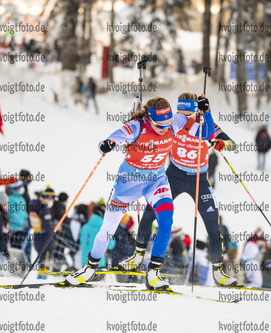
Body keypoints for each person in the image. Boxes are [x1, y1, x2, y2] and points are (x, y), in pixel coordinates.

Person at [66, 96, 207, 290]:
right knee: (107, 230)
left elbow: (204, 132)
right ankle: (89, 269)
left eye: (168, 124)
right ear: (149, 118)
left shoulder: (174, 121)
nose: (165, 128)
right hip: (128, 185)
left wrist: (204, 111)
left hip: (156, 182)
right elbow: (106, 142)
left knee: (166, 222)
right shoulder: (135, 127)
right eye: (159, 125)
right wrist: (107, 145)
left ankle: (153, 274)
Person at [116, 93, 238, 286]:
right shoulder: (171, 125)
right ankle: (138, 257)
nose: (182, 118)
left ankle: (218, 272)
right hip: (173, 175)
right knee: (149, 215)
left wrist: (220, 142)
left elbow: (230, 144)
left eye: (186, 114)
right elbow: (145, 130)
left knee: (213, 224)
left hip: (199, 180)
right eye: (179, 113)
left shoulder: (206, 125)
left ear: (194, 111)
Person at [79, 201, 115, 269]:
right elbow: (111, 245)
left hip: (85, 263)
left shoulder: (85, 227)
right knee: (98, 280)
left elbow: (82, 242)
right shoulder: (105, 228)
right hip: (99, 263)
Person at [30, 187, 56, 272]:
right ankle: (41, 280)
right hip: (46, 240)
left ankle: (40, 278)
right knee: (45, 264)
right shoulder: (44, 208)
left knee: (42, 261)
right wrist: (53, 230)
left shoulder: (34, 205)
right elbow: (47, 225)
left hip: (37, 237)